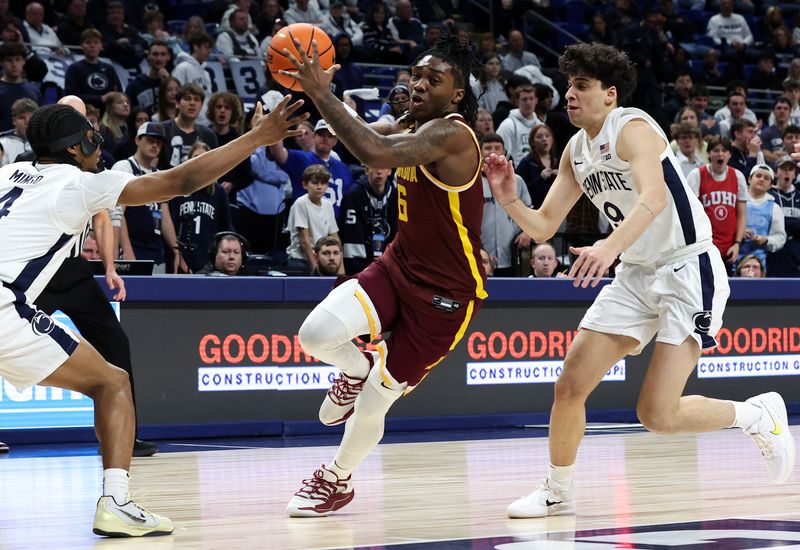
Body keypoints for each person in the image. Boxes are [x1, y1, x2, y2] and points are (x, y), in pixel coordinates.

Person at [483, 42, 795, 519]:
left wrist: (609, 247)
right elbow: (543, 225)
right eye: (568, 85)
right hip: (636, 274)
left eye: (581, 86)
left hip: (687, 267)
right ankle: (557, 488)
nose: (569, 94)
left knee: (657, 415)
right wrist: (508, 198)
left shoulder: (632, 127)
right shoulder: (575, 151)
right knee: (570, 384)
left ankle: (756, 416)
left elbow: (653, 199)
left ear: (609, 94)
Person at [0, 95, 305, 535]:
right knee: (112, 382)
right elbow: (183, 180)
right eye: (88, 133)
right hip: (7, 306)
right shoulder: (80, 183)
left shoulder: (8, 173)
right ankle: (117, 502)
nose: (96, 139)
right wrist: (257, 136)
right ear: (71, 146)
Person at [281, 32, 486, 517]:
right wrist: (297, 121)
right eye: (415, 74)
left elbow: (372, 151)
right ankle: (354, 369)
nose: (418, 84)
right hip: (398, 267)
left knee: (378, 402)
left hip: (446, 297)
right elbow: (363, 133)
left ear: (456, 94)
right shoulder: (410, 122)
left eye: (432, 80)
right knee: (315, 334)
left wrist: (319, 92)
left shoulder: (452, 134)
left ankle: (337, 479)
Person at [34, 96, 159, 459]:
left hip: (72, 272)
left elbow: (103, 219)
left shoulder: (88, 171)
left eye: (84, 116)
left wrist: (108, 267)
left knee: (117, 345)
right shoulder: (36, 168)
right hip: (37, 271)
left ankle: (126, 436)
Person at [113, 122, 180, 273]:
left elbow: (165, 218)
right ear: (137, 140)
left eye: (158, 142)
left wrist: (176, 250)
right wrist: (126, 248)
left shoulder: (159, 175)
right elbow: (117, 213)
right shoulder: (124, 167)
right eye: (150, 140)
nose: (155, 145)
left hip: (156, 251)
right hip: (133, 248)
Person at [169, 141, 234, 272]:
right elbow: (170, 225)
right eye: (196, 157)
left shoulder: (218, 191)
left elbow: (226, 226)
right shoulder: (177, 190)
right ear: (188, 161)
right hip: (181, 257)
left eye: (204, 157)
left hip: (208, 258)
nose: (200, 161)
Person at [269, 119, 354, 217]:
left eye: (330, 136)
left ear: (335, 141)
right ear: (314, 137)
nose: (325, 139)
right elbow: (278, 153)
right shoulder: (301, 158)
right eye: (321, 135)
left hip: (335, 227)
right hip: (306, 223)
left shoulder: (343, 168)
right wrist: (275, 128)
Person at [685, 136, 747, 266]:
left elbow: (741, 216)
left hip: (730, 248)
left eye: (724, 151)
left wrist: (737, 243)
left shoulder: (738, 176)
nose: (720, 154)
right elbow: (690, 214)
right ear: (709, 154)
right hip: (704, 245)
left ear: (729, 154)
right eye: (716, 150)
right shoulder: (696, 175)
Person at [479, 133, 531, 276]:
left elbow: (529, 210)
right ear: (480, 152)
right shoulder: (473, 182)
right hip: (482, 253)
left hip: (511, 253)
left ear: (504, 152)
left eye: (497, 148)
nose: (492, 151)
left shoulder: (517, 180)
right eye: (487, 148)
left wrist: (527, 232)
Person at [339, 164, 397, 275]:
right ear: (366, 170)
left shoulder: (395, 196)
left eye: (383, 167)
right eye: (374, 167)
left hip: (389, 266)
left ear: (389, 171)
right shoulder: (353, 195)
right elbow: (352, 239)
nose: (379, 171)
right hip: (360, 268)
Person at [286, 164, 340, 273]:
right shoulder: (301, 203)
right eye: (315, 183)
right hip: (300, 260)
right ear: (305, 185)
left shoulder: (328, 205)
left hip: (321, 260)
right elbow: (304, 240)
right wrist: (315, 268)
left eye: (323, 183)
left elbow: (335, 238)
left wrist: (341, 270)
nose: (319, 187)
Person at [738, 164, 787, 269]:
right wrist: (739, 233)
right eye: (758, 176)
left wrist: (765, 240)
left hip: (760, 266)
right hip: (733, 260)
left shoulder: (774, 208)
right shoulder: (737, 202)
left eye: (766, 178)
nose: (761, 179)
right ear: (749, 179)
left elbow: (780, 237)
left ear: (770, 185)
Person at [63, 29, 122, 112]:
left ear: (101, 45)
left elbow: (119, 93)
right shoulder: (74, 68)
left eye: (96, 42)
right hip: (82, 113)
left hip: (106, 114)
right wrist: (100, 98)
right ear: (82, 46)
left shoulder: (109, 69)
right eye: (88, 42)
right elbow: (71, 96)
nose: (92, 46)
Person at [767, 156, 800, 277]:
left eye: (790, 169)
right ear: (776, 173)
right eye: (783, 168)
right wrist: (794, 224)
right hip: (773, 249)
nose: (787, 172)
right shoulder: (768, 195)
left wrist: (783, 223)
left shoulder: (799, 195)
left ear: (795, 175)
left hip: (795, 249)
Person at [0, 43, 43, 132]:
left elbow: (40, 121)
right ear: (1, 62)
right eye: (9, 60)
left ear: (24, 61)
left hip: (30, 143)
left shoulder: (34, 91)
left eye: (17, 59)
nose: (14, 64)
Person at [496, 83, 541, 166]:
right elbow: (502, 154)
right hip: (516, 172)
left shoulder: (541, 125)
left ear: (536, 100)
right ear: (517, 102)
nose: (528, 102)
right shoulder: (508, 125)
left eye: (531, 99)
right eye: (524, 99)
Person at [125, 40, 172, 116]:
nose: (159, 58)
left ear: (168, 57)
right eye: (155, 54)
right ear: (148, 56)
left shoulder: (174, 84)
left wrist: (167, 82)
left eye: (163, 54)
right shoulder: (134, 85)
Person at [0, 98, 35, 167]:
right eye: (22, 118)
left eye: (31, 118)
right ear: (14, 120)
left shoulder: (43, 141)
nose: (27, 122)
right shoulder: (2, 142)